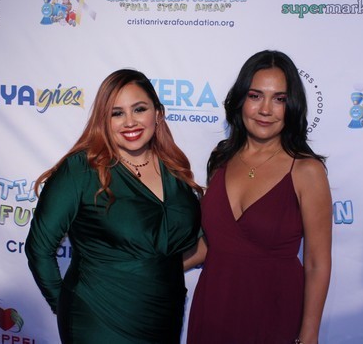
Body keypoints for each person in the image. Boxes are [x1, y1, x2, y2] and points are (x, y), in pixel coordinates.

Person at [25, 69, 202, 344]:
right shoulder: (81, 169)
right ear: (104, 121)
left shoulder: (174, 169)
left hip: (163, 318)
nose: (129, 121)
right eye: (116, 113)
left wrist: (149, 273)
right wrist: (66, 305)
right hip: (97, 321)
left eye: (139, 109)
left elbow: (190, 244)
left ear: (157, 113)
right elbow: (39, 248)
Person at [185, 50, 333, 344]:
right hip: (213, 307)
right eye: (255, 96)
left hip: (273, 314)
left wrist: (309, 334)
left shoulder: (306, 170)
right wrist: (148, 268)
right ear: (241, 100)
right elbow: (213, 243)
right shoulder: (222, 158)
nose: (266, 109)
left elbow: (317, 262)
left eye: (279, 99)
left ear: (292, 106)